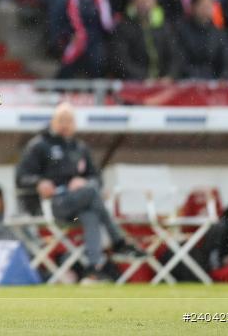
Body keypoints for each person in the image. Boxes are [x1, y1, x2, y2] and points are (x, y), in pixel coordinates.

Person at [16, 102, 145, 283]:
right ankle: (118, 242)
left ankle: (92, 269)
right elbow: (22, 177)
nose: (65, 124)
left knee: (91, 212)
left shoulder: (80, 148)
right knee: (92, 193)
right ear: (53, 122)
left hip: (77, 204)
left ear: (75, 124)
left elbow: (96, 178)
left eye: (69, 120)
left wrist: (84, 181)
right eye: (61, 120)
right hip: (52, 204)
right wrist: (40, 182)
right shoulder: (39, 145)